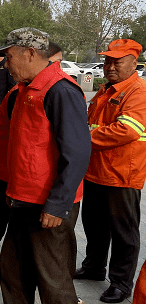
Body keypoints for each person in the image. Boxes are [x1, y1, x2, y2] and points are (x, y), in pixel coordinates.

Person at [0, 41, 65, 300]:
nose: (58, 68)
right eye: (55, 62)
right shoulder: (23, 93)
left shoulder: (29, 90)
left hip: (12, 178)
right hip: (9, 178)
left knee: (8, 237)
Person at [0, 27, 91, 304]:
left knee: (53, 283)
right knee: (13, 277)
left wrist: (57, 205)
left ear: (30, 53)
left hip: (48, 207)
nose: (5, 64)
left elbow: (78, 152)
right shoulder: (23, 90)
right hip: (22, 201)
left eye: (9, 57)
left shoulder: (60, 90)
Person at [74, 39, 146, 303]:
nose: (110, 66)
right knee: (95, 225)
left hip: (122, 174)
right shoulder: (108, 90)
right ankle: (94, 267)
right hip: (97, 170)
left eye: (117, 61)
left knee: (123, 232)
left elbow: (128, 130)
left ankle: (121, 283)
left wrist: (80, 137)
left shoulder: (138, 91)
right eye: (107, 61)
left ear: (134, 63)